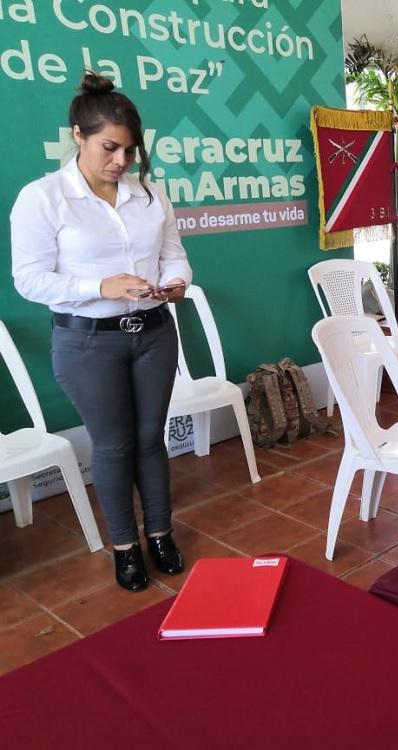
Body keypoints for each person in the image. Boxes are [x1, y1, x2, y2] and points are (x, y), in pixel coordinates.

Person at [11, 72, 192, 592]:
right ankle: (125, 547)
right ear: (78, 136)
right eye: (110, 148)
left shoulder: (149, 196)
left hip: (154, 332)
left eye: (130, 151)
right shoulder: (43, 198)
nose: (120, 161)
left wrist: (176, 281)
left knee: (150, 440)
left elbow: (173, 253)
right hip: (87, 341)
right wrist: (101, 285)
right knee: (112, 446)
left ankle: (160, 533)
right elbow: (29, 280)